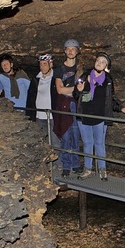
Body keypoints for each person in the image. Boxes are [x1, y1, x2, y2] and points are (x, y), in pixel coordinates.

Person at [74, 52, 125, 181]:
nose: (99, 63)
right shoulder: (85, 75)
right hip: (84, 115)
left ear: (106, 66)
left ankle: (102, 170)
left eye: (103, 62)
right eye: (98, 61)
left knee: (99, 144)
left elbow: (111, 98)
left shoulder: (108, 80)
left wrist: (120, 107)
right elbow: (76, 95)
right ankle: (87, 169)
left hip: (99, 116)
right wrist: (79, 90)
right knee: (87, 143)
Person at [53, 39, 83, 178]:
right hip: (64, 105)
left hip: (76, 105)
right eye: (68, 49)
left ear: (77, 51)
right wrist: (75, 89)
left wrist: (71, 90)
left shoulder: (81, 69)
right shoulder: (59, 70)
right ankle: (66, 165)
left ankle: (75, 164)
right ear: (65, 51)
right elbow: (59, 90)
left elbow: (84, 88)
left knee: (75, 136)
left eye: (73, 49)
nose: (71, 51)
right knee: (65, 136)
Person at [26, 54, 59, 149]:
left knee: (55, 142)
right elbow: (30, 98)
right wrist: (30, 115)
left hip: (53, 116)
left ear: (51, 64)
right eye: (41, 64)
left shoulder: (56, 78)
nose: (42, 67)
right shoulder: (36, 79)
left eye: (45, 64)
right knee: (42, 143)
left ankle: (58, 164)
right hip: (39, 116)